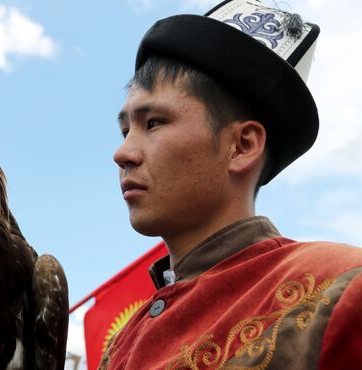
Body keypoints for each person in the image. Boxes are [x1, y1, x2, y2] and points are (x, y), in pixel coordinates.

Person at [100, 0, 362, 369]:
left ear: (242, 146)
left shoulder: (342, 287)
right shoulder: (120, 345)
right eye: (125, 130)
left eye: (154, 123)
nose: (122, 152)